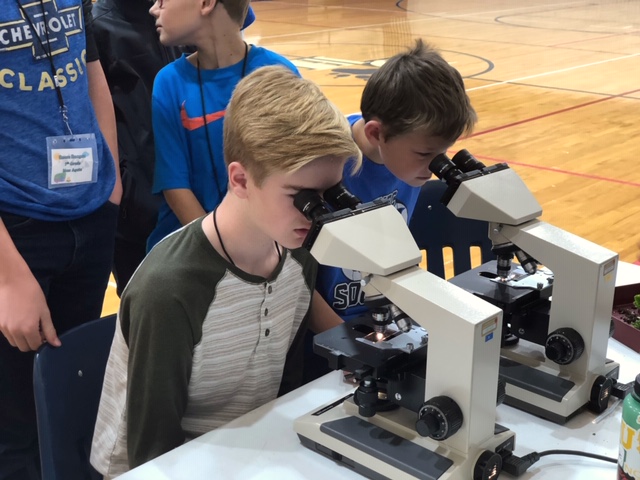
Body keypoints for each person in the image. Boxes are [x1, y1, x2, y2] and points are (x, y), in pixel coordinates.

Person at [90, 65, 361, 477]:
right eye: (301, 196)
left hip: (247, 450)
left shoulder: (298, 260)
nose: (316, 212)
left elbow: (281, 398)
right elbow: (151, 455)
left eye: (328, 194)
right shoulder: (171, 289)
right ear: (240, 179)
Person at [304, 39, 478, 383]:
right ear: (376, 133)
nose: (433, 169)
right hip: (321, 338)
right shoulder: (322, 169)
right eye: (425, 154)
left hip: (378, 322)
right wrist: (350, 348)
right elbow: (295, 286)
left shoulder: (405, 160)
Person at [0, 0, 121, 478]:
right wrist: (8, 278)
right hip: (17, 234)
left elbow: (90, 70)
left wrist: (110, 182)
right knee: (15, 426)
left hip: (90, 215)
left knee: (68, 401)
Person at [91, 0, 256, 295]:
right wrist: (122, 190)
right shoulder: (100, 24)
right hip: (142, 210)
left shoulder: (191, 13)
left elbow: (229, 25)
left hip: (220, 198)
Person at [146, 0, 299, 251]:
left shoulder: (278, 73)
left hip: (266, 245)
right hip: (193, 246)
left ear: (206, 4)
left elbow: (292, 173)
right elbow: (175, 185)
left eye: (163, 0)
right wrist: (222, 250)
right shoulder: (169, 82)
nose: (153, 8)